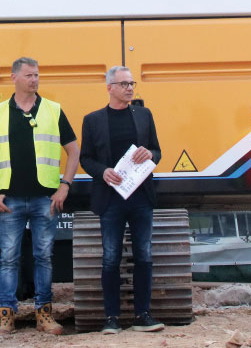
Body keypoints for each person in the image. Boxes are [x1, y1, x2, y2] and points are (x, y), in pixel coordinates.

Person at [0, 57, 79, 336]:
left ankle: (44, 315)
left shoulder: (52, 110)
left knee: (44, 257)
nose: (34, 80)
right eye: (28, 75)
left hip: (45, 198)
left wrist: (65, 186)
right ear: (14, 77)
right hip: (9, 199)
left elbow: (73, 151)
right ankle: (6, 315)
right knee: (8, 258)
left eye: (36, 75)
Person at [79, 66, 164, 334]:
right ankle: (111, 318)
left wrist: (149, 154)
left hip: (141, 197)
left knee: (144, 255)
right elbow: (85, 158)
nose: (130, 88)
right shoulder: (92, 120)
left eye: (132, 83)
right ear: (110, 88)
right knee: (111, 258)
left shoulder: (144, 115)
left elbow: (157, 151)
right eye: (124, 84)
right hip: (110, 200)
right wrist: (101, 171)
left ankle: (143, 315)